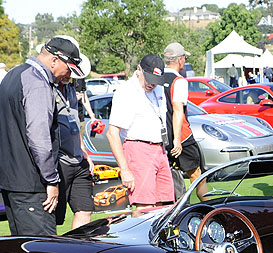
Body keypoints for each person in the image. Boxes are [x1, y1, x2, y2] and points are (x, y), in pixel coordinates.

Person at [0, 37, 85, 236]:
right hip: (30, 184)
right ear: (55, 61)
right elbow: (39, 138)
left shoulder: (14, 73)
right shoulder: (38, 83)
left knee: (22, 251)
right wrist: (51, 180)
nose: (66, 76)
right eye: (68, 70)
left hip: (11, 180)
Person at [107, 54, 174, 215]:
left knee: (166, 205)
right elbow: (112, 133)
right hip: (138, 148)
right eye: (149, 78)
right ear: (139, 70)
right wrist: (124, 169)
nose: (152, 84)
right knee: (144, 207)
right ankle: (141, 240)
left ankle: (160, 240)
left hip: (160, 149)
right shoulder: (126, 91)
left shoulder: (159, 89)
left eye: (155, 80)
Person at [53, 39, 95, 229]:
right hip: (59, 161)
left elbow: (74, 124)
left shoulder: (71, 89)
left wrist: (84, 151)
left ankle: (79, 252)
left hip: (77, 160)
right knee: (54, 217)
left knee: (85, 209)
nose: (71, 76)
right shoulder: (49, 89)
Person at [162, 41, 206, 201]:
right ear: (180, 60)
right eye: (185, 58)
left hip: (162, 137)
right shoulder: (178, 81)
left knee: (169, 180)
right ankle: (212, 211)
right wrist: (178, 140)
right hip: (181, 136)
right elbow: (178, 110)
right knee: (197, 176)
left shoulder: (157, 79)